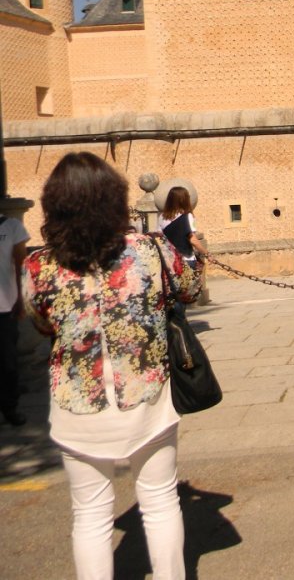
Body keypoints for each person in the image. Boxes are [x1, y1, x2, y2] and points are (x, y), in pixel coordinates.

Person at [22, 152, 202, 579]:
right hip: (146, 399)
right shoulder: (150, 250)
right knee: (160, 502)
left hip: (77, 406)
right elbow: (190, 288)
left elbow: (40, 322)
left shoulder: (39, 265)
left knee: (90, 515)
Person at [0, 212, 29, 427]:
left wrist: (22, 298)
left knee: (7, 363)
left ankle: (10, 407)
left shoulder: (12, 226)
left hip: (5, 306)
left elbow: (22, 266)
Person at [158, 186, 207, 265]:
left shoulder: (161, 217)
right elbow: (193, 240)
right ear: (184, 200)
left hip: (169, 261)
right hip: (186, 260)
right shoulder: (188, 216)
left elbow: (159, 238)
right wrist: (207, 254)